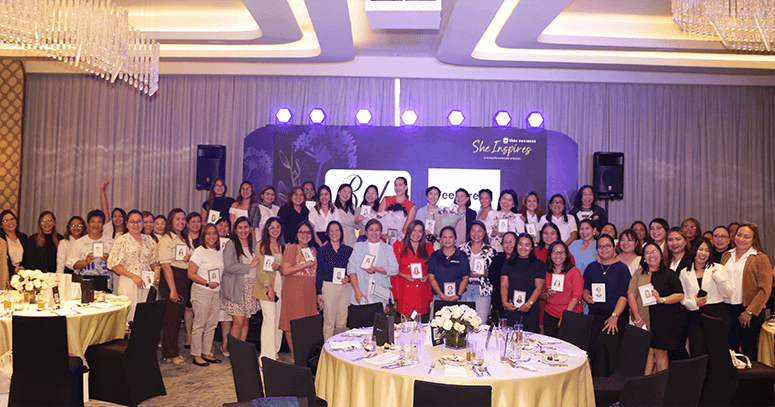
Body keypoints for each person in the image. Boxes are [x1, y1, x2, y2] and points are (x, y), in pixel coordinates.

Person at [627, 243, 684, 374]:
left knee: (660, 352)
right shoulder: (638, 274)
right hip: (644, 319)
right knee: (647, 351)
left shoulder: (669, 274)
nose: (651, 255)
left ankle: (661, 383)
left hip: (664, 320)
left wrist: (662, 299)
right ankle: (646, 382)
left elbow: (680, 295)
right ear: (643, 257)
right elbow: (631, 295)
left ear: (661, 255)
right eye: (647, 253)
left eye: (654, 252)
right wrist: (637, 319)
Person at [722, 222, 772, 361]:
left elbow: (765, 289)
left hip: (749, 310)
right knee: (730, 348)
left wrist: (750, 311)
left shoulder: (760, 258)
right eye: (739, 235)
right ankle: (733, 374)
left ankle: (751, 375)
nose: (741, 239)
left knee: (749, 348)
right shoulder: (727, 255)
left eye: (747, 237)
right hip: (728, 308)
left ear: (753, 239)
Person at [583, 234, 630, 377]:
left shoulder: (622, 268)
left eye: (607, 246)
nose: (604, 249)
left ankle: (610, 386)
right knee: (594, 351)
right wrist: (586, 296)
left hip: (615, 317)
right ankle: (596, 384)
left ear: (614, 247)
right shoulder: (591, 267)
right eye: (600, 246)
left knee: (610, 354)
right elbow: (585, 288)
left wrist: (614, 316)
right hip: (595, 316)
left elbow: (624, 295)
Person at [678, 237, 733, 358]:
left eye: (707, 250)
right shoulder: (684, 272)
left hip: (716, 313)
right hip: (695, 315)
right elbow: (682, 297)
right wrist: (693, 303)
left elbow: (728, 293)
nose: (703, 253)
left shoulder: (718, 268)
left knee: (717, 353)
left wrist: (718, 278)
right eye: (700, 249)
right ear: (694, 251)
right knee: (697, 352)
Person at [107, 210, 161, 321]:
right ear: (127, 224)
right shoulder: (121, 240)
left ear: (143, 223)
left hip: (146, 282)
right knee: (130, 315)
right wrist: (133, 276)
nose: (136, 224)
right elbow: (114, 265)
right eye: (132, 222)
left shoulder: (149, 240)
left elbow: (153, 261)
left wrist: (157, 270)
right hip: (129, 281)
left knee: (146, 316)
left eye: (138, 221)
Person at [280, 221, 320, 362]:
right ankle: (295, 355)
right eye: (301, 232)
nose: (305, 235)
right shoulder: (291, 249)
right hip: (294, 288)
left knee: (307, 323)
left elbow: (314, 273)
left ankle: (304, 354)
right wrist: (304, 265)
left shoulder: (313, 250)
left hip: (309, 289)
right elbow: (285, 270)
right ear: (297, 234)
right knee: (292, 322)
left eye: (308, 232)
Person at [158, 208, 192, 366]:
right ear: (171, 220)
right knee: (170, 319)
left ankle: (172, 351)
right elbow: (165, 266)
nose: (181, 222)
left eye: (183, 219)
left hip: (184, 279)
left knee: (177, 318)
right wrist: (172, 289)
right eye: (177, 219)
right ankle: (170, 353)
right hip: (172, 280)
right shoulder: (167, 239)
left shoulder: (184, 238)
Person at [187, 224, 224, 366]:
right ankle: (196, 355)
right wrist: (207, 283)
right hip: (202, 291)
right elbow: (191, 274)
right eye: (208, 233)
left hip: (216, 292)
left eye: (214, 233)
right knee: (199, 324)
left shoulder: (219, 251)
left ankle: (206, 353)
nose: (212, 236)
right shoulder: (199, 251)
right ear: (203, 235)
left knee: (212, 324)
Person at [221, 217, 262, 345]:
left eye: (246, 227)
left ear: (250, 229)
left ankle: (241, 351)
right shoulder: (231, 244)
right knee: (238, 322)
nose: (243, 230)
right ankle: (233, 351)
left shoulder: (254, 246)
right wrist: (249, 266)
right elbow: (228, 266)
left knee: (245, 321)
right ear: (235, 230)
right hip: (237, 288)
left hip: (251, 287)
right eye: (240, 227)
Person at [253, 217, 285, 361]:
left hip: (281, 285)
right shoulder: (261, 245)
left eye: (277, 226)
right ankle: (266, 356)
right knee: (269, 320)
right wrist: (269, 288)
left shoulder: (283, 246)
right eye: (271, 227)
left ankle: (275, 352)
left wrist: (280, 267)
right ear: (267, 229)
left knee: (278, 320)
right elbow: (261, 270)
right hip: (266, 287)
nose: (275, 230)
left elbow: (285, 268)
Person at [348, 219, 399, 307]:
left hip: (380, 294)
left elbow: (395, 269)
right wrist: (357, 291)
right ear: (366, 232)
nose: (374, 232)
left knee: (378, 316)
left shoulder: (388, 248)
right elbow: (351, 270)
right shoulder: (358, 247)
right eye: (371, 229)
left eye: (377, 230)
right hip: (361, 293)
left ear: (381, 232)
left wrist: (376, 269)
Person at [316, 221, 353, 340]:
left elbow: (352, 269)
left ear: (341, 232)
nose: (334, 233)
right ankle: (327, 347)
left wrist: (348, 277)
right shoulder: (322, 250)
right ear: (327, 233)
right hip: (329, 287)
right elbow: (319, 272)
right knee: (329, 320)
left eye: (337, 230)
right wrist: (318, 292)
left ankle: (340, 345)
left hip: (345, 287)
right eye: (331, 230)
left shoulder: (348, 250)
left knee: (342, 320)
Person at [500, 233, 545, 331]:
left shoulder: (539, 264)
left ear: (532, 247)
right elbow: (504, 284)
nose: (523, 248)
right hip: (511, 307)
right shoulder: (508, 262)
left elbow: (539, 287)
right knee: (510, 336)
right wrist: (505, 303)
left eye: (527, 245)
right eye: (520, 244)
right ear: (516, 246)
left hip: (531, 309)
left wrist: (528, 304)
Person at [392, 220, 434, 318]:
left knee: (419, 322)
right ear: (409, 231)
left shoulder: (428, 247)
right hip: (405, 290)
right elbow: (392, 269)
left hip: (421, 289)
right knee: (405, 322)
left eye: (420, 231)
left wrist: (427, 276)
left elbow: (432, 269)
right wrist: (404, 275)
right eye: (414, 230)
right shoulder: (398, 246)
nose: (416, 234)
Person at [541, 240, 583, 338]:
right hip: (550, 314)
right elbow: (541, 294)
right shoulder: (546, 271)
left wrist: (565, 316)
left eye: (561, 252)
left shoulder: (574, 271)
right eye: (554, 252)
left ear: (566, 255)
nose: (558, 255)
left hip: (571, 315)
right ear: (550, 255)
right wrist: (548, 294)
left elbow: (577, 296)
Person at [68, 210, 114, 291]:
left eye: (99, 222)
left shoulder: (111, 242)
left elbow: (117, 266)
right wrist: (85, 262)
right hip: (83, 282)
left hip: (105, 283)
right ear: (88, 224)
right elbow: (71, 264)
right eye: (93, 222)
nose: (96, 225)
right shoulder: (79, 243)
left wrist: (109, 261)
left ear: (103, 224)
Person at [459, 220, 496, 323]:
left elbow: (495, 274)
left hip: (482, 290)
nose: (476, 234)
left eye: (479, 231)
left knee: (480, 322)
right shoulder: (462, 249)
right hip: (464, 289)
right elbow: (456, 270)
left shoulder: (491, 251)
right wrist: (467, 273)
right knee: (462, 323)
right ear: (469, 233)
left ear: (484, 233)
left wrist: (486, 273)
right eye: (473, 231)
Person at [428, 226, 470, 304]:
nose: (447, 240)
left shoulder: (462, 255)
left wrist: (458, 295)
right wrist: (441, 295)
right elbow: (431, 277)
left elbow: (465, 277)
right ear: (440, 239)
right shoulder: (435, 255)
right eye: (444, 237)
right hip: (439, 297)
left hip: (459, 297)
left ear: (455, 239)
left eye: (450, 237)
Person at [182, 212, 201, 348]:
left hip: (201, 275)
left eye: (198, 221)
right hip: (186, 274)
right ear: (187, 224)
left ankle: (198, 336)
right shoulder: (182, 238)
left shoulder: (204, 238)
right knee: (188, 307)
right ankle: (189, 335)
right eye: (193, 221)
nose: (196, 224)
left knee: (199, 307)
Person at [0, 210, 26, 274]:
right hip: (5, 275)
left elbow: (28, 257)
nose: (10, 222)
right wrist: (13, 269)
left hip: (22, 274)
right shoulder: (1, 240)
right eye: (5, 221)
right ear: (1, 225)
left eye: (12, 219)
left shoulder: (23, 237)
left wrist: (23, 268)